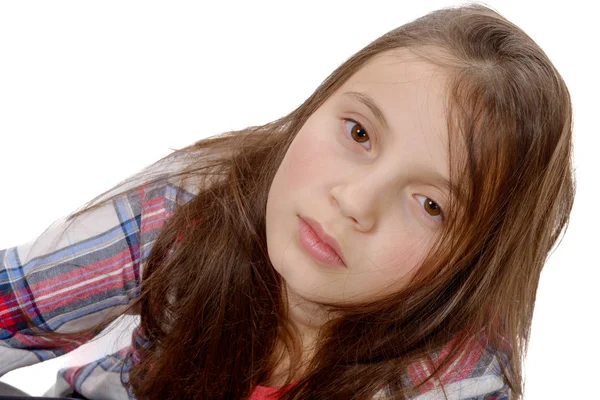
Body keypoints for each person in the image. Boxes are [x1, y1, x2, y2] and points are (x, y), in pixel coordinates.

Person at [0, 3, 575, 399]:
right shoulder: (193, 206)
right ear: (315, 106)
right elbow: (13, 307)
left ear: (471, 263)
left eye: (430, 205)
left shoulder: (459, 381)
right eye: (358, 134)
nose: (354, 202)